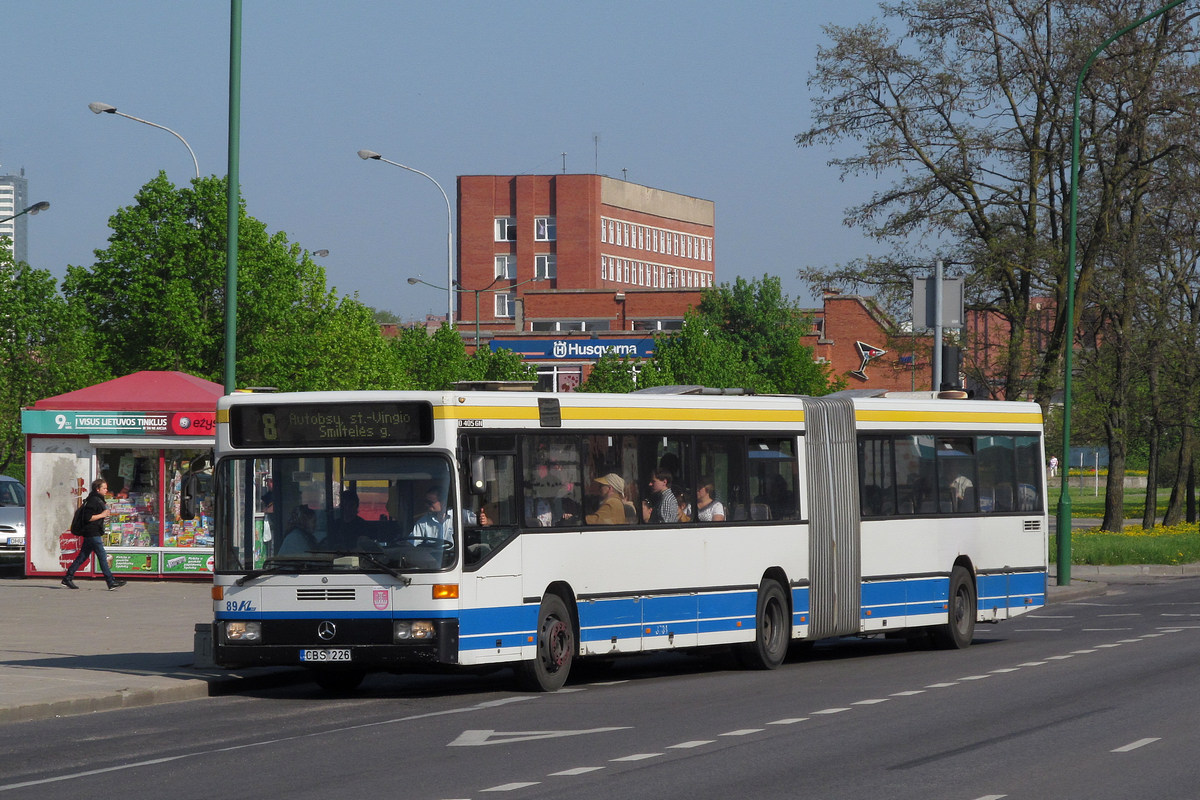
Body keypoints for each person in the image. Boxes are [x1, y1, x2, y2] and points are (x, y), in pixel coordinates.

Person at [62, 478, 126, 590]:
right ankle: (111, 582)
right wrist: (102, 515)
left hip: (92, 533)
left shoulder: (96, 499)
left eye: (106, 488)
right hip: (92, 532)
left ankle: (68, 578)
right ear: (97, 489)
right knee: (102, 556)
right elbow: (88, 517)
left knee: (82, 556)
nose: (106, 490)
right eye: (104, 488)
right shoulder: (93, 500)